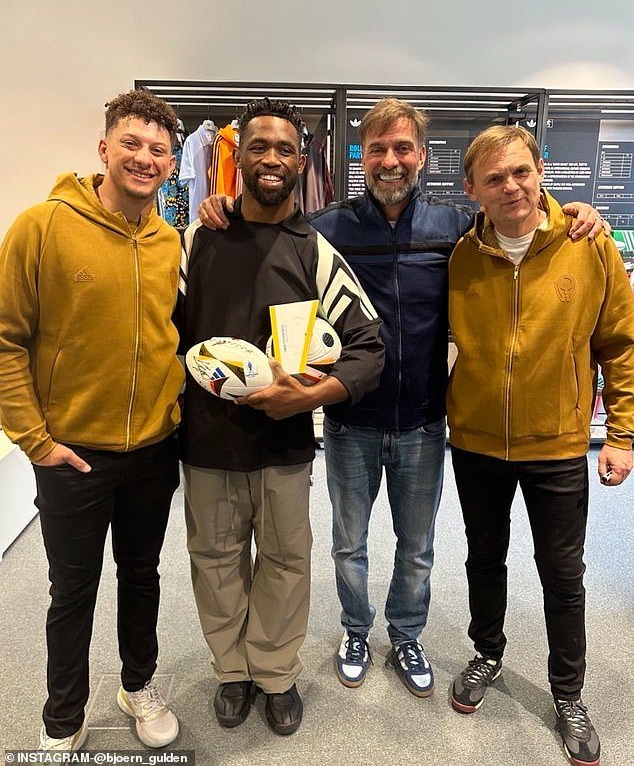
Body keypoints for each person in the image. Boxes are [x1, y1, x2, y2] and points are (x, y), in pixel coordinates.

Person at [198, 98, 604, 699]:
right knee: (348, 543)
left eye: (403, 148)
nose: (391, 161)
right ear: (361, 155)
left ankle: (407, 633)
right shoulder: (326, 228)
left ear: (421, 156)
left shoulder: (455, 230)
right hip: (347, 420)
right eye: (378, 149)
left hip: (423, 421)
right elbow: (266, 230)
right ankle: (356, 630)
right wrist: (222, 205)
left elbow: (518, 221)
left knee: (417, 548)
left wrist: (572, 210)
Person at [177, 97, 384, 736]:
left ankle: (273, 673)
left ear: (302, 161)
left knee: (287, 562)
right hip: (206, 443)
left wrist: (307, 397)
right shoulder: (199, 238)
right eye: (258, 146)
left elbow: (369, 349)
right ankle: (231, 671)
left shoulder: (315, 252)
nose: (271, 158)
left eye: (284, 148)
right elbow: (163, 331)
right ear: (239, 156)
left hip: (286, 444)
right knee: (214, 559)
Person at [0, 90, 184, 752]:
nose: (144, 157)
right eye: (131, 144)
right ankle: (62, 715)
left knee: (142, 576)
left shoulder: (169, 241)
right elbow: (5, 339)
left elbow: (170, 334)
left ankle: (137, 685)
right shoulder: (41, 226)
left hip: (154, 451)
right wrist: (36, 439)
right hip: (73, 454)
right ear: (104, 148)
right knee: (71, 591)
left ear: (170, 163)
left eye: (158, 150)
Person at [447, 125, 634, 766]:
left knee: (563, 575)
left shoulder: (589, 245)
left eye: (521, 172)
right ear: (473, 190)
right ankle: (488, 652)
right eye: (494, 178)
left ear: (540, 169)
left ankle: (569, 695)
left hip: (557, 445)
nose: (512, 187)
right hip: (475, 443)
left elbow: (621, 345)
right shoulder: (461, 256)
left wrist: (622, 435)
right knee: (483, 559)